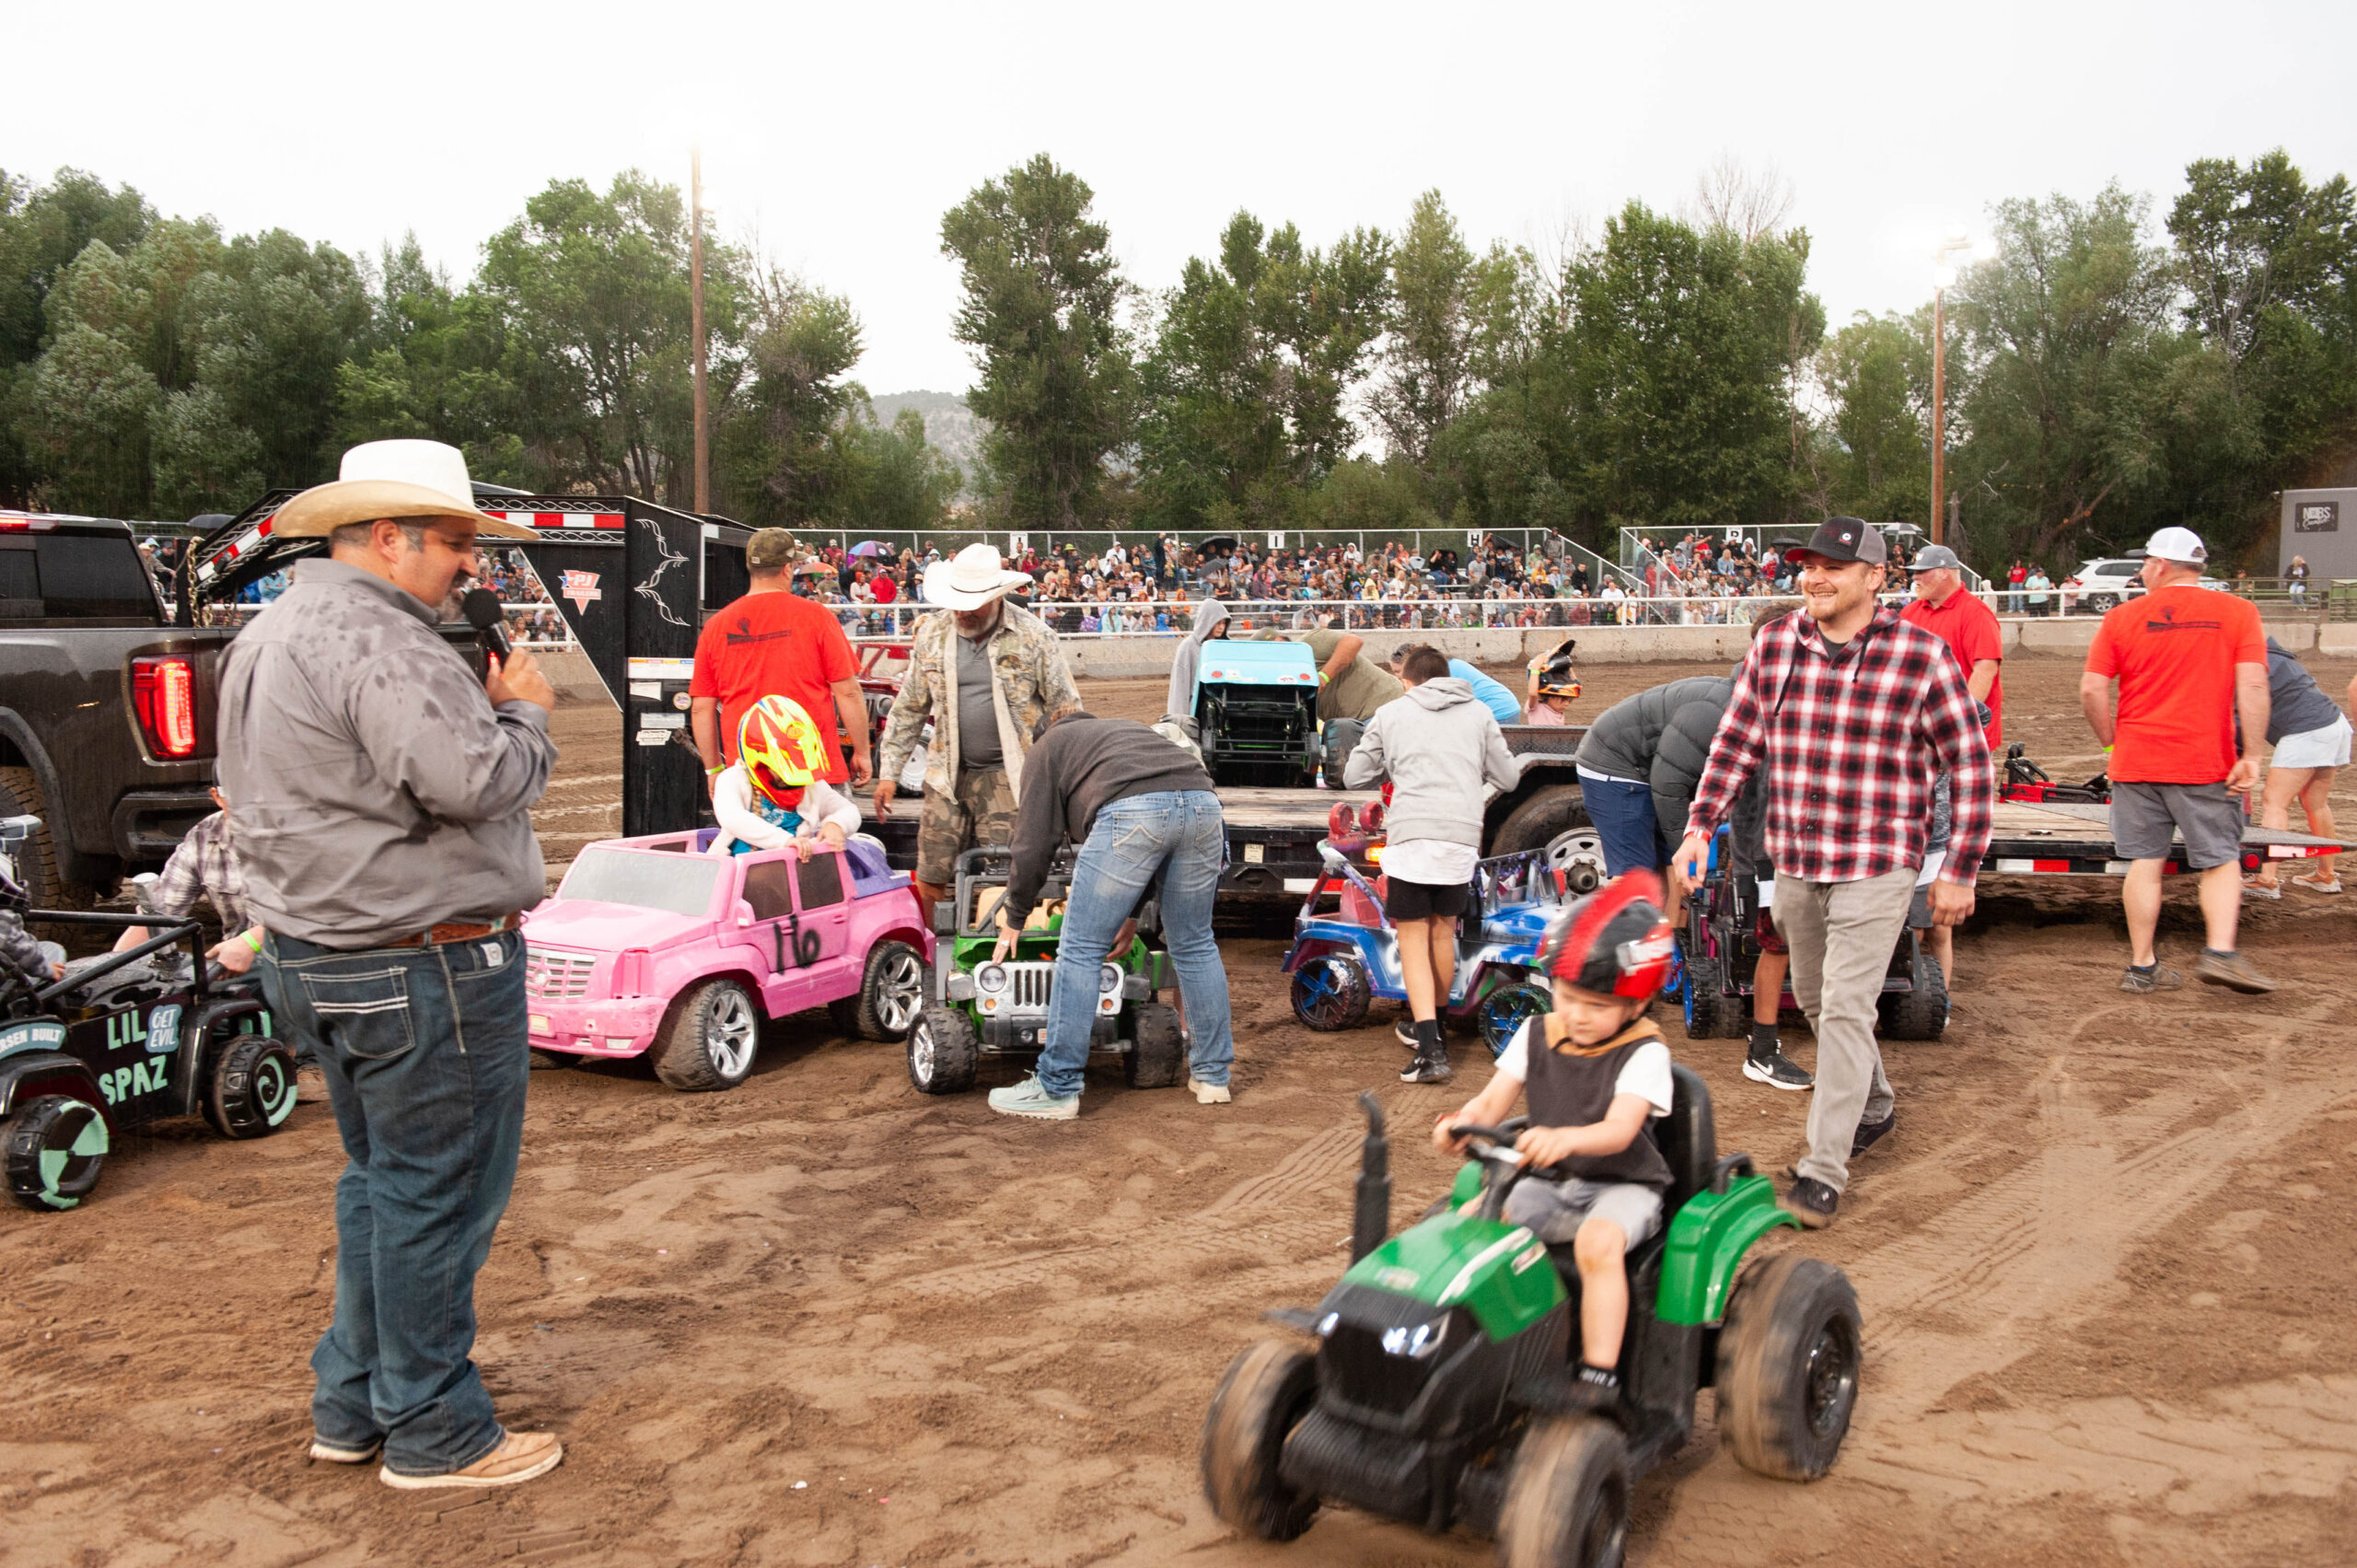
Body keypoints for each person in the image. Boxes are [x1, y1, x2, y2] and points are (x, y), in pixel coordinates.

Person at [217, 438, 563, 1489]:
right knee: (435, 1197)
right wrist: (527, 713)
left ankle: (357, 1399)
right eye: (456, 540)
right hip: (422, 962)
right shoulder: (384, 641)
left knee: (384, 1186)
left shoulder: (269, 632)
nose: (469, 563)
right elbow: (472, 779)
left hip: (318, 950)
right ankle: (433, 1426)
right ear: (386, 536)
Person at [1673, 517, 1991, 1230]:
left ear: (1876, 577)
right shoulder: (1777, 645)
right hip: (1798, 857)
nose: (1813, 578)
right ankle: (1874, 1105)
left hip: (1879, 862)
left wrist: (1960, 867)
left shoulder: (1922, 657)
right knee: (1816, 999)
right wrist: (1700, 826)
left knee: (1848, 1008)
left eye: (1833, 567)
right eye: (1807, 566)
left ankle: (1823, 1167)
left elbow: (1970, 765)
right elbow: (1736, 740)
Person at [1433, 872, 1678, 1411]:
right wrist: (1460, 1121)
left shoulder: (1645, 1053)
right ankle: (1478, 1345)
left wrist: (1562, 1139)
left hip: (1624, 1186)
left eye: (1597, 1005)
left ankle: (1598, 1374)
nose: (1577, 1015)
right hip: (1554, 1183)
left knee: (1597, 1245)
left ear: (1635, 1005)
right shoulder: (1537, 1033)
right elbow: (1491, 1105)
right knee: (1473, 1218)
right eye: (1567, 997)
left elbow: (1619, 1131)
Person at [982, 710, 1232, 1119]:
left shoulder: (1047, 747)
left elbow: (1032, 842)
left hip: (1134, 812)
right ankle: (1213, 1077)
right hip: (1204, 806)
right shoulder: (1123, 731)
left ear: (1041, 735)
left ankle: (1057, 1087)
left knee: (1080, 948)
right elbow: (1167, 817)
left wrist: (1015, 914)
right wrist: (1130, 915)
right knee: (1195, 944)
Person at [2078, 527, 2272, 994]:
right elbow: (2253, 686)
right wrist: (2252, 754)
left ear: (2160, 566)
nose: (2143, 571)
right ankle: (2221, 951)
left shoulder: (2122, 618)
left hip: (2137, 761)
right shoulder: (2239, 612)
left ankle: (2142, 966)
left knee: (2145, 861)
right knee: (2220, 859)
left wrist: (2112, 745)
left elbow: (2090, 689)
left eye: (2145, 563)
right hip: (2204, 761)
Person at [1344, 645, 1523, 1085]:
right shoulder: (1479, 713)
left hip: (1412, 838)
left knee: (1412, 941)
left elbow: (1353, 775)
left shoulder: (1392, 713)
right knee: (1444, 934)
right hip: (1460, 838)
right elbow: (1509, 778)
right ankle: (1436, 1029)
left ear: (1408, 679)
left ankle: (1430, 1048)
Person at [874, 543, 1081, 923]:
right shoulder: (933, 634)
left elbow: (1066, 710)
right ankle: (928, 947)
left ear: (996, 597)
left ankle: (994, 953)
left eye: (974, 604)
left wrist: (1064, 787)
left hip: (1009, 778)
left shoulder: (1034, 637)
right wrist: (889, 773)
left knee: (1002, 873)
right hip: (944, 776)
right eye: (958, 603)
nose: (964, 612)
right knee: (932, 872)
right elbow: (910, 707)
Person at [690, 528, 872, 799]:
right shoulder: (817, 617)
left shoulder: (715, 627)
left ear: (750, 567)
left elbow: (701, 709)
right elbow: (847, 691)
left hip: (748, 774)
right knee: (826, 839)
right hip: (813, 770)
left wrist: (713, 770)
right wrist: (862, 752)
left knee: (756, 842)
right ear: (787, 569)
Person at [1900, 543, 2003, 991]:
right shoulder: (1912, 611)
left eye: (1922, 572)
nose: (1916, 577)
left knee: (1954, 814)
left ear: (1946, 573)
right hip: (1919, 739)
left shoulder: (1975, 613)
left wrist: (1957, 721)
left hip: (1954, 736)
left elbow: (1984, 669)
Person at [1574, 674, 1736, 879]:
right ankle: (1619, 910)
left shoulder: (1741, 706)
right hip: (1615, 760)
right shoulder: (1713, 715)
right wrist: (1685, 851)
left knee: (1671, 863)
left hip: (1651, 765)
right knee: (1637, 873)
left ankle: (1668, 912)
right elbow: (1669, 784)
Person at [2242, 639, 2347, 899]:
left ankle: (2266, 879)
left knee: (2274, 802)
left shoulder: (2252, 664)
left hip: (2306, 729)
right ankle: (2326, 876)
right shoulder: (2276, 656)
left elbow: (2239, 713)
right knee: (2316, 803)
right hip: (2334, 724)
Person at [708, 697, 863, 859]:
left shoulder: (811, 783)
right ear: (759, 759)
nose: (794, 781)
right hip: (741, 870)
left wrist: (836, 824)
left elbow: (849, 810)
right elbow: (732, 818)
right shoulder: (732, 779)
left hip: (793, 870)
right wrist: (785, 841)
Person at [1276, 612, 1404, 784]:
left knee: (1391, 767)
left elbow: (1353, 641)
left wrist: (1324, 676)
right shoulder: (1281, 680)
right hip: (1351, 727)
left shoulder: (1311, 642)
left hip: (1381, 704)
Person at [1387, 643, 1522, 725]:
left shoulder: (1440, 670)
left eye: (1399, 671)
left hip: (1499, 711)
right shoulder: (1440, 665)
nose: (1399, 676)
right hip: (1502, 707)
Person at [1164, 598, 1230, 740]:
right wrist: (1178, 721)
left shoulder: (1225, 647)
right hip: (1195, 709)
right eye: (1217, 623)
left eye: (1224, 623)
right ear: (1207, 621)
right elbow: (1180, 686)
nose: (1221, 627)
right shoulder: (1188, 647)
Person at [1523, 638, 1581, 725]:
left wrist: (1569, 669)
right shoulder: (1536, 706)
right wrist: (1535, 669)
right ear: (1550, 698)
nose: (1566, 704)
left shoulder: (1557, 708)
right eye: (1563, 700)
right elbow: (1533, 693)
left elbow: (1576, 689)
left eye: (1567, 700)